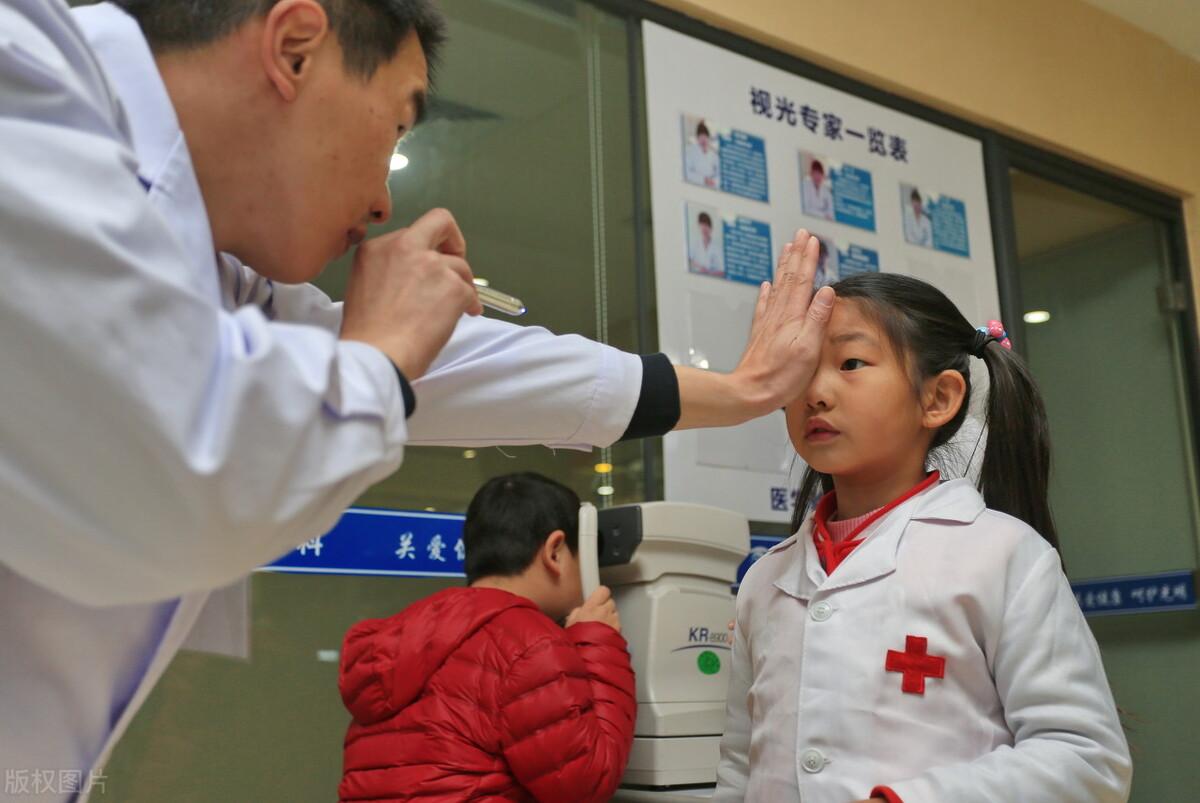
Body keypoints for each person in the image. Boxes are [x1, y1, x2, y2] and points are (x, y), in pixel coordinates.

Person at [0, 1, 833, 798]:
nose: (383, 201)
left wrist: (739, 390)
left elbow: (452, 370)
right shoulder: (22, 90)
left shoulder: (202, 259)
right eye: (397, 127)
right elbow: (191, 469)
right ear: (294, 48)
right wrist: (386, 346)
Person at [714, 273, 1132, 802]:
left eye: (850, 363)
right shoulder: (765, 578)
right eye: (801, 372)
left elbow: (1086, 759)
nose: (815, 393)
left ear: (937, 398)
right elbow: (740, 766)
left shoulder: (1002, 554)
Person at [339, 471, 634, 802]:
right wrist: (598, 641)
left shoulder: (406, 632)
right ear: (555, 551)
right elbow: (584, 787)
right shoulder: (530, 643)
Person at [684, 119, 721, 187]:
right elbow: (686, 172)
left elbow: (720, 173)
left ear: (709, 138)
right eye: (701, 138)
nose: (704, 140)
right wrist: (704, 179)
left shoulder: (714, 155)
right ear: (697, 138)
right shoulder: (689, 151)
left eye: (706, 137)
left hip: (711, 186)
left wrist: (713, 181)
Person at [689, 210, 724, 276]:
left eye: (706, 225)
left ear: (711, 228)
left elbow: (723, 272)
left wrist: (708, 272)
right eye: (701, 225)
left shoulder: (718, 247)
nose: (704, 229)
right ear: (698, 227)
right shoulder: (695, 243)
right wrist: (699, 267)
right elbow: (689, 260)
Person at [802, 157, 835, 221]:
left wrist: (827, 216)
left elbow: (831, 211)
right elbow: (806, 209)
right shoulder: (805, 186)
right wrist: (823, 215)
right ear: (812, 173)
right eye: (816, 173)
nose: (818, 176)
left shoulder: (826, 191)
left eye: (820, 173)